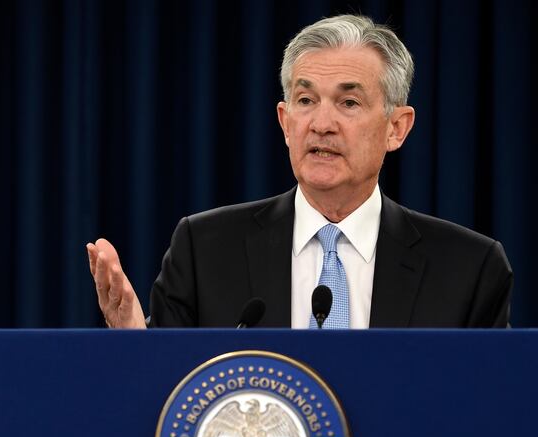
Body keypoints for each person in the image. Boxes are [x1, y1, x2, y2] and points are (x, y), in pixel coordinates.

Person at [86, 14, 512, 329]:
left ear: (396, 128)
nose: (321, 123)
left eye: (348, 103)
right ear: (285, 121)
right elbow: (169, 397)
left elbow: (491, 413)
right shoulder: (205, 249)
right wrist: (133, 342)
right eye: (306, 101)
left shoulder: (468, 268)